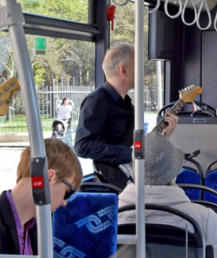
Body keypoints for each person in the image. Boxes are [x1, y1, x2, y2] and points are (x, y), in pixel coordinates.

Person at [74, 44, 176, 189]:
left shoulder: (127, 104)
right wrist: (128, 154)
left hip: (129, 178)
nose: (142, 72)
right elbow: (82, 146)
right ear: (123, 70)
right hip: (111, 183)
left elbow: (134, 145)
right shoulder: (97, 101)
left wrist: (163, 136)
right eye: (138, 67)